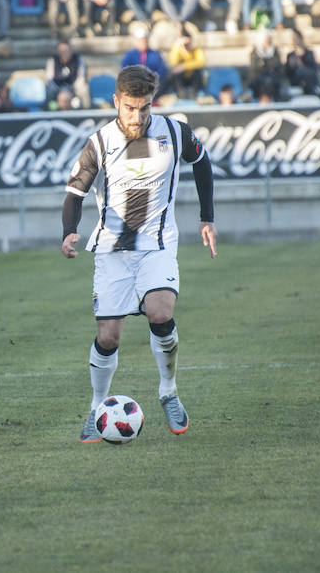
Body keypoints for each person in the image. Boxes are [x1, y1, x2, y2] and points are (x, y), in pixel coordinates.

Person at [61, 64, 216, 442]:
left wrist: (206, 218)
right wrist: (69, 232)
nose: (138, 116)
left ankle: (168, 390)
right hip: (112, 251)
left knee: (160, 312)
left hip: (158, 245)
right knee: (109, 337)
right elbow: (75, 193)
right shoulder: (99, 142)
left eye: (144, 107)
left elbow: (202, 163)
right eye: (130, 108)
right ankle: (99, 406)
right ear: (116, 102)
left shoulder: (175, 132)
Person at [45, 40, 89, 108]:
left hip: (73, 86)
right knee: (49, 89)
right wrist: (60, 91)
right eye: (61, 51)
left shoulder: (78, 59)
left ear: (70, 50)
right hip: (57, 86)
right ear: (58, 51)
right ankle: (48, 111)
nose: (63, 53)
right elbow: (49, 77)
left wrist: (72, 90)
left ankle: (85, 111)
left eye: (66, 50)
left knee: (83, 89)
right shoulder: (53, 60)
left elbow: (81, 76)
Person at [165, 27, 205, 99]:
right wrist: (177, 46)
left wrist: (184, 66)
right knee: (175, 73)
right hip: (181, 79)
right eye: (185, 44)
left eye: (188, 43)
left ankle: (194, 94)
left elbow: (200, 62)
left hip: (193, 78)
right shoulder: (178, 50)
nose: (186, 46)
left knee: (198, 72)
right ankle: (180, 94)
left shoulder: (196, 50)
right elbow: (173, 62)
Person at [248, 28, 283, 101]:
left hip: (272, 77)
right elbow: (254, 67)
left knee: (270, 81)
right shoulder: (255, 52)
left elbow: (277, 66)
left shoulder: (275, 51)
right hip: (258, 78)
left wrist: (265, 64)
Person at [284, 28, 320, 97]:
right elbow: (288, 72)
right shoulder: (290, 55)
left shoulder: (309, 53)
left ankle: (309, 89)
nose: (295, 40)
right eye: (293, 39)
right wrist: (291, 66)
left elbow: (314, 68)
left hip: (309, 78)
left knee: (305, 72)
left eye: (297, 38)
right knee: (300, 71)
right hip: (296, 80)